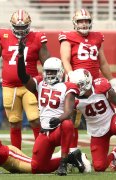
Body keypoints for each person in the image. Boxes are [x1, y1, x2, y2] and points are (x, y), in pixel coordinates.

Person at [17, 41, 86, 176]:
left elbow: (68, 111)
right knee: (37, 168)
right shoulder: (39, 84)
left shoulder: (68, 87)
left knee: (67, 124)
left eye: (52, 71)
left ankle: (63, 163)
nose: (49, 74)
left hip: (59, 129)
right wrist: (20, 56)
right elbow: (23, 77)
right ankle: (72, 158)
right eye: (47, 71)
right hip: (45, 132)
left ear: (59, 72)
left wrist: (59, 119)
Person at [0, 9, 50, 150]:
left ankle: (42, 151)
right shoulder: (3, 35)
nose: (20, 30)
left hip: (30, 86)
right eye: (17, 27)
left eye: (23, 27)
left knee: (35, 120)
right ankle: (17, 154)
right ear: (12, 25)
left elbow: (48, 62)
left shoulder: (37, 37)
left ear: (29, 25)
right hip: (9, 86)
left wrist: (51, 80)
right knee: (14, 122)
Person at [58, 8, 116, 159]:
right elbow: (65, 59)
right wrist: (71, 74)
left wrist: (111, 81)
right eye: (80, 21)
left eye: (86, 21)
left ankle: (106, 152)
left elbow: (102, 62)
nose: (84, 24)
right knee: (71, 119)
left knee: (104, 116)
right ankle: (72, 151)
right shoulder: (68, 37)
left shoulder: (97, 37)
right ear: (75, 23)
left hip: (94, 86)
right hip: (76, 83)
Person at [70, 69, 116, 172]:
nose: (78, 88)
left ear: (87, 81)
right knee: (99, 167)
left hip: (110, 121)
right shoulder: (73, 98)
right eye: (76, 85)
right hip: (97, 131)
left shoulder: (101, 86)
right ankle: (114, 155)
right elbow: (71, 121)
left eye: (80, 84)